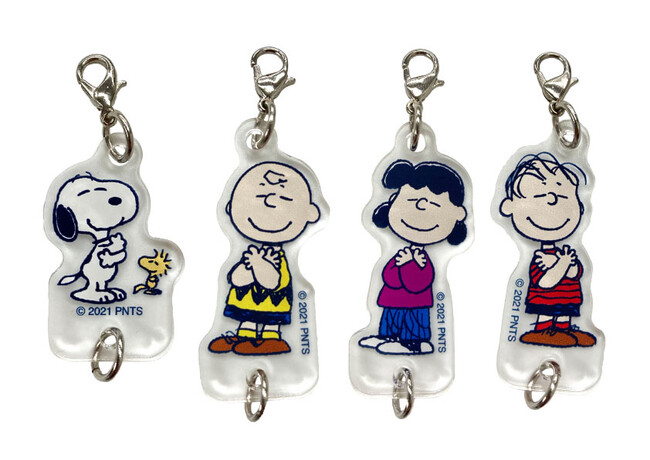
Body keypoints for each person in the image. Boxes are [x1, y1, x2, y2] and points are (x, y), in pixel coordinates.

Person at [208, 162, 320, 355]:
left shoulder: (278, 258)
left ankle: (271, 340)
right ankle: (244, 337)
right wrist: (247, 269)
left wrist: (258, 264)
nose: (271, 202)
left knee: (271, 322)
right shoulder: (250, 253)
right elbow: (236, 279)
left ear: (310, 214)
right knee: (247, 320)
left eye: (284, 199)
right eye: (259, 197)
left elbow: (272, 283)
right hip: (247, 300)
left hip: (273, 302)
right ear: (230, 207)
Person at [359, 160, 468, 354]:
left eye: (435, 205)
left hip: (415, 303)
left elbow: (418, 284)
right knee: (390, 320)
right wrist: (399, 265)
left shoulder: (424, 259)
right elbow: (388, 278)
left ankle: (414, 344)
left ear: (457, 215)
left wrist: (410, 264)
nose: (421, 207)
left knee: (413, 324)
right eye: (410, 201)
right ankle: (387, 337)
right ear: (393, 201)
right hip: (392, 300)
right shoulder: (400, 254)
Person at [499, 152, 596, 347]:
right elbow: (545, 282)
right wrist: (562, 264)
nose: (551, 201)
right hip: (545, 301)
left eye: (563, 197)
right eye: (538, 197)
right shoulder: (539, 258)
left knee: (564, 319)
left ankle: (563, 331)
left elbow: (576, 273)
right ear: (510, 207)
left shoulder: (566, 253)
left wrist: (566, 264)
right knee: (546, 316)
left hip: (568, 299)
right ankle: (542, 332)